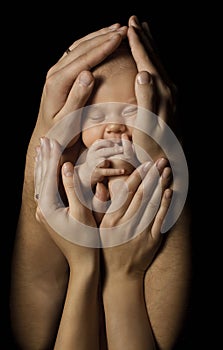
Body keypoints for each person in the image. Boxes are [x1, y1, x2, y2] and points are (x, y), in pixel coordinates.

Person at [10, 15, 191, 350]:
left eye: (132, 112)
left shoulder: (154, 172)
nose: (114, 128)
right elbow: (32, 332)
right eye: (96, 115)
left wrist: (163, 159)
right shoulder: (73, 164)